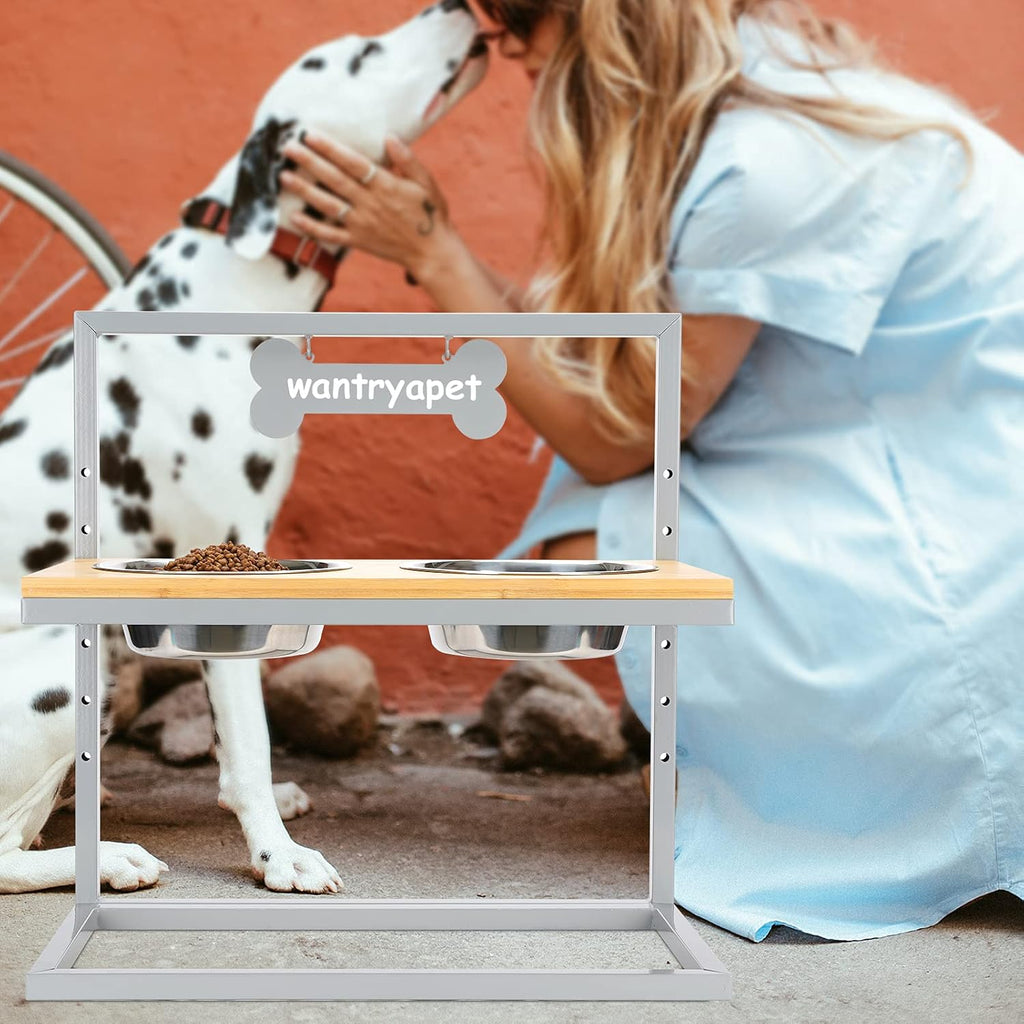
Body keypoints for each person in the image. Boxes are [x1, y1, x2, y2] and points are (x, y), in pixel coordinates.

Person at [279, 0, 1024, 941]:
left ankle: (879, 778)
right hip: (908, 473)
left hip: (966, 554)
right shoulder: (752, 94)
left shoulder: (763, 161)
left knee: (593, 552)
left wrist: (433, 251)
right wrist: (441, 249)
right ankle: (774, 749)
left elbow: (615, 433)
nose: (512, 59)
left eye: (524, 36)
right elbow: (601, 370)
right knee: (590, 528)